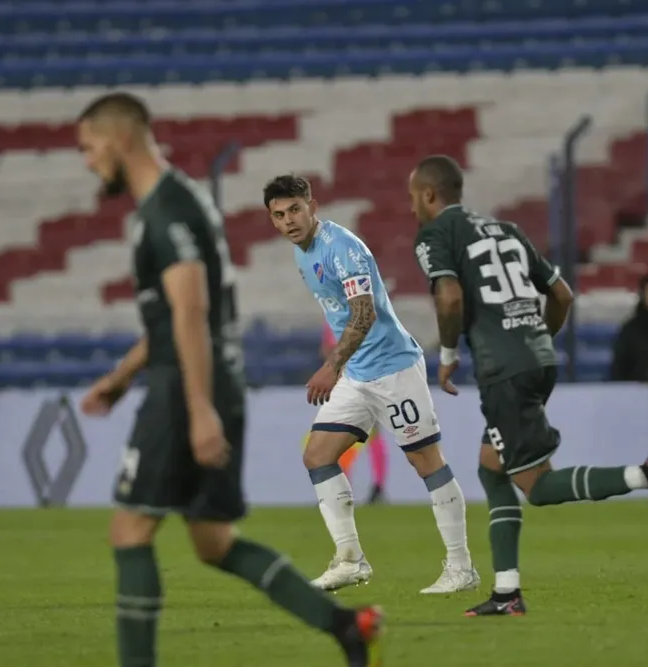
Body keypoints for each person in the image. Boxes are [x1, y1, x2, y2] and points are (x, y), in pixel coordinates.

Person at [74, 92, 382, 667]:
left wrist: (198, 409)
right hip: (206, 383)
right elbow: (178, 314)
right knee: (213, 542)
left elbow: (190, 314)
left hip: (185, 388)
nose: (87, 161)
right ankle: (346, 627)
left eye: (89, 148)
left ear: (118, 139)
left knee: (130, 531)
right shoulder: (176, 203)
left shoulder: (166, 210)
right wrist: (119, 380)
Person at [408, 154, 648, 618]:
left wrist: (447, 356)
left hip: (503, 371)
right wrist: (537, 342)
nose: (411, 208)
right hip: (538, 357)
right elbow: (562, 294)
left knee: (538, 486)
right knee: (492, 465)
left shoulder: (435, 235)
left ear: (429, 195)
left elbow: (448, 297)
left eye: (413, 198)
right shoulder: (506, 230)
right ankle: (507, 593)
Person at [264, 173, 479, 595]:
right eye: (279, 215)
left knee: (426, 463)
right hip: (358, 375)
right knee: (318, 455)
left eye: (294, 210)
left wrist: (332, 365)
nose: (289, 220)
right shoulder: (302, 254)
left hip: (393, 369)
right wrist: (343, 368)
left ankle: (461, 567)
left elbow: (364, 314)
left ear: (313, 207)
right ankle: (350, 560)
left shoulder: (341, 248)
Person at [321, 322, 389, 504]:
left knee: (357, 432)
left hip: (359, 380)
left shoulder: (341, 315)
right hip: (353, 380)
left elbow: (329, 350)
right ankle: (362, 487)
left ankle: (373, 487)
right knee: (349, 433)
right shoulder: (352, 313)